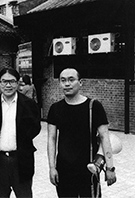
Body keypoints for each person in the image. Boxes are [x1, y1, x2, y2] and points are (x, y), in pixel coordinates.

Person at [47, 68, 117, 198]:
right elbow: (51, 139)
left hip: (89, 169)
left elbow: (104, 137)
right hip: (64, 169)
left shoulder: (94, 106)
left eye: (71, 80)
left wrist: (110, 168)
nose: (67, 84)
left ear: (81, 82)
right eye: (63, 80)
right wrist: (52, 167)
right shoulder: (55, 108)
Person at [0, 67, 41, 198]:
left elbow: (35, 128)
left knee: (24, 195)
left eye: (12, 81)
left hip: (21, 160)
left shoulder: (29, 104)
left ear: (18, 83)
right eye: (4, 81)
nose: (8, 85)